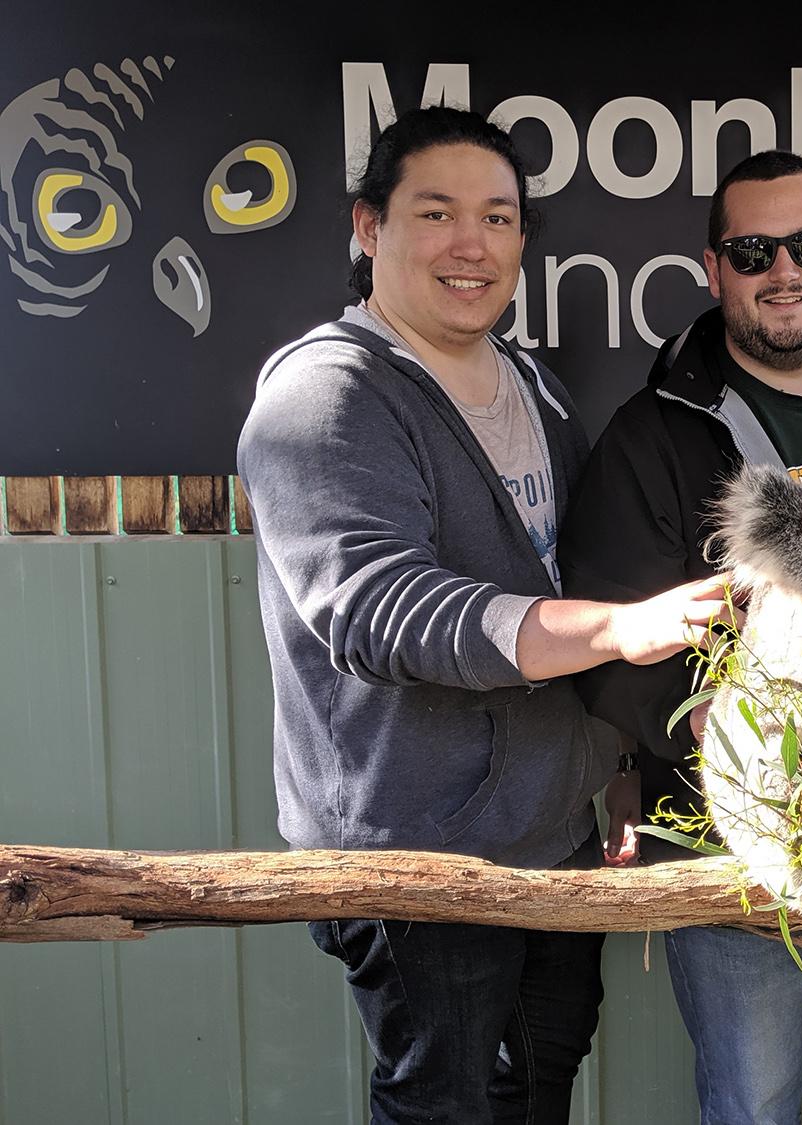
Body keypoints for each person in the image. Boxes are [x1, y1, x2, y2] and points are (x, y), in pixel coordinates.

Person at [236, 106, 733, 1125]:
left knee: (539, 1078)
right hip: (416, 848)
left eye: (500, 218)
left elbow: (570, 565)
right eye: (437, 211)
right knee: (449, 1103)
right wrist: (619, 630)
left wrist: (618, 763)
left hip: (550, 832)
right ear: (368, 226)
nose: (474, 243)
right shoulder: (326, 397)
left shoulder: (530, 384)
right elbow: (379, 611)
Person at [559, 150, 802, 1124]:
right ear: (715, 268)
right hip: (736, 850)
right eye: (753, 249)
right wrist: (742, 743)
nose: (785, 268)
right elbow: (609, 640)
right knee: (752, 1101)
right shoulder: (650, 435)